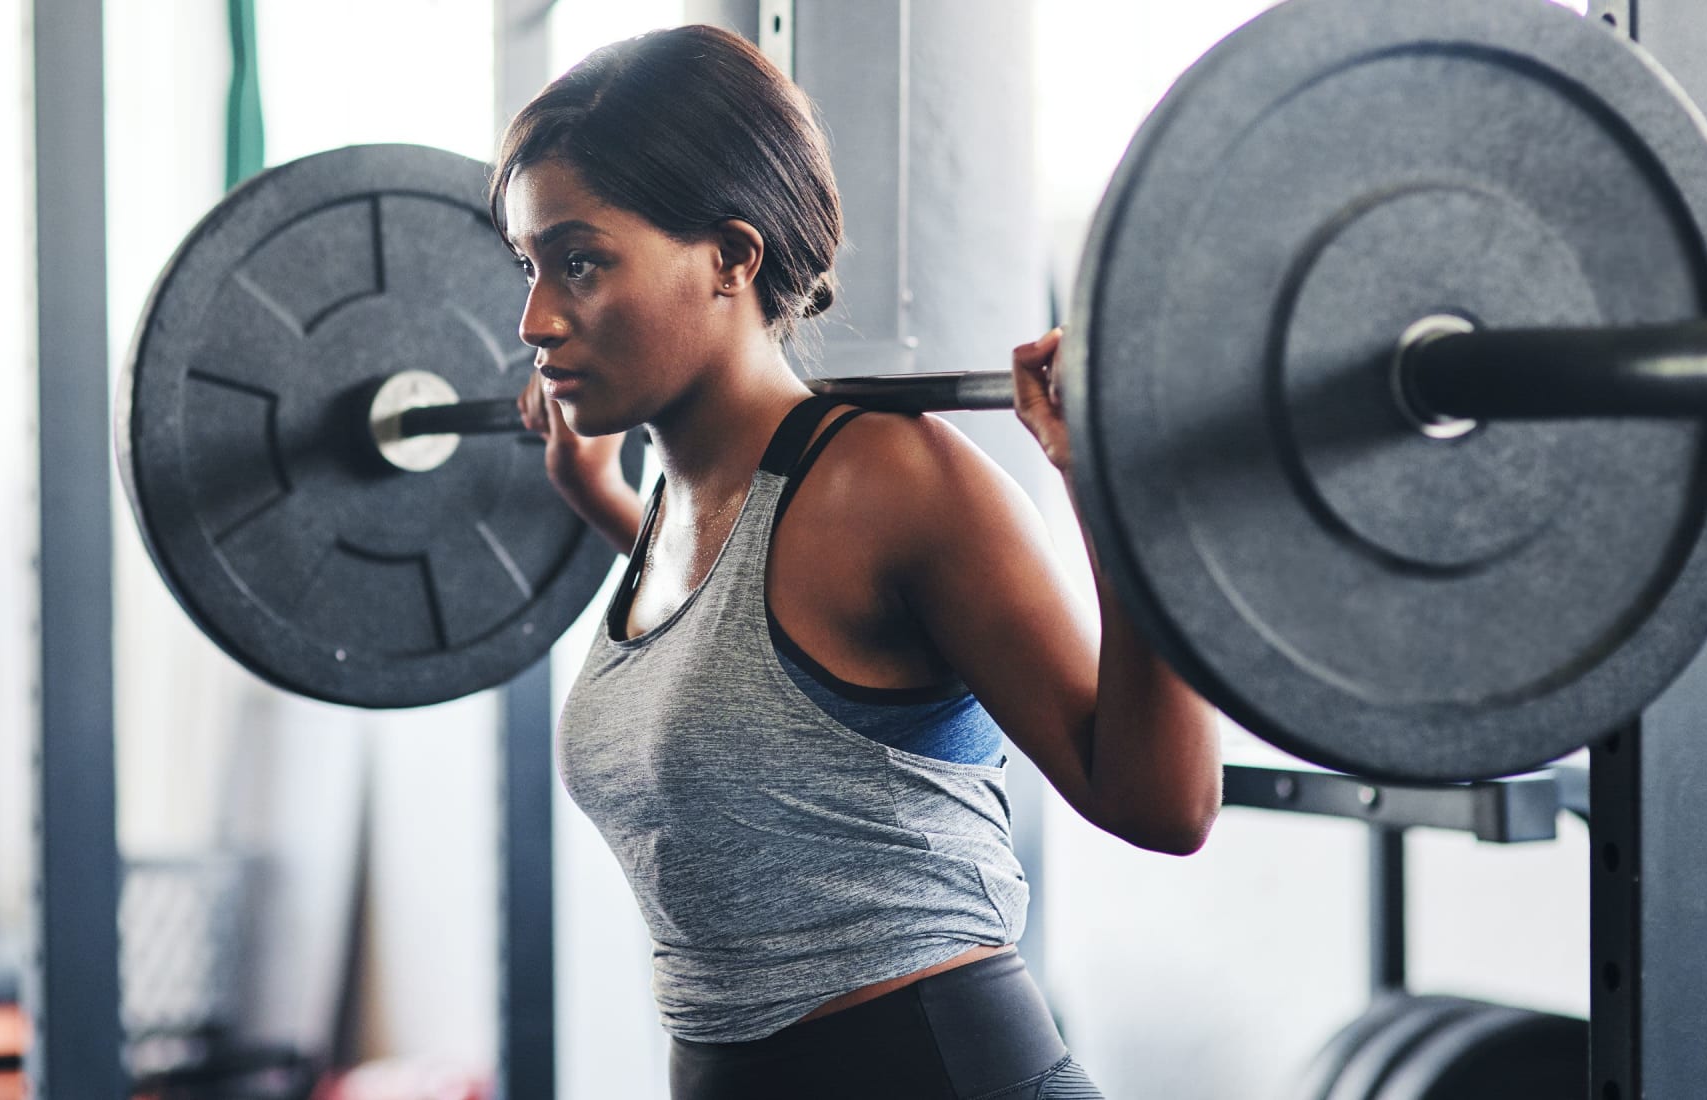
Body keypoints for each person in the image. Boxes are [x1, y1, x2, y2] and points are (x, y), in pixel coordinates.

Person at [492, 23, 1220, 1100]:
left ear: (731, 257)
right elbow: (750, 681)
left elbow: (1163, 803)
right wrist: (603, 505)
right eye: (529, 265)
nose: (535, 319)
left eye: (581, 262)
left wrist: (1123, 492)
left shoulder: (888, 480)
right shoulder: (673, 508)